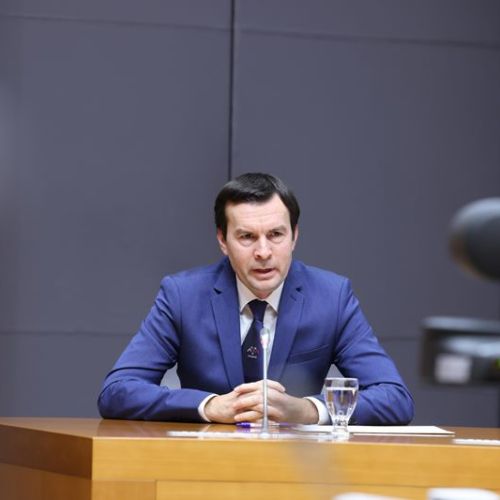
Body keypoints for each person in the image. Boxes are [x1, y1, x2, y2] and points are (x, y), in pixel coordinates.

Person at [98, 173, 414, 425]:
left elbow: (394, 398)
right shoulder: (183, 296)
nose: (263, 252)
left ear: (294, 236)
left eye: (275, 235)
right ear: (223, 240)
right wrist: (209, 406)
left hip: (298, 469)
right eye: (247, 237)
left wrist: (305, 410)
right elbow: (117, 391)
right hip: (204, 467)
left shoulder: (332, 297)